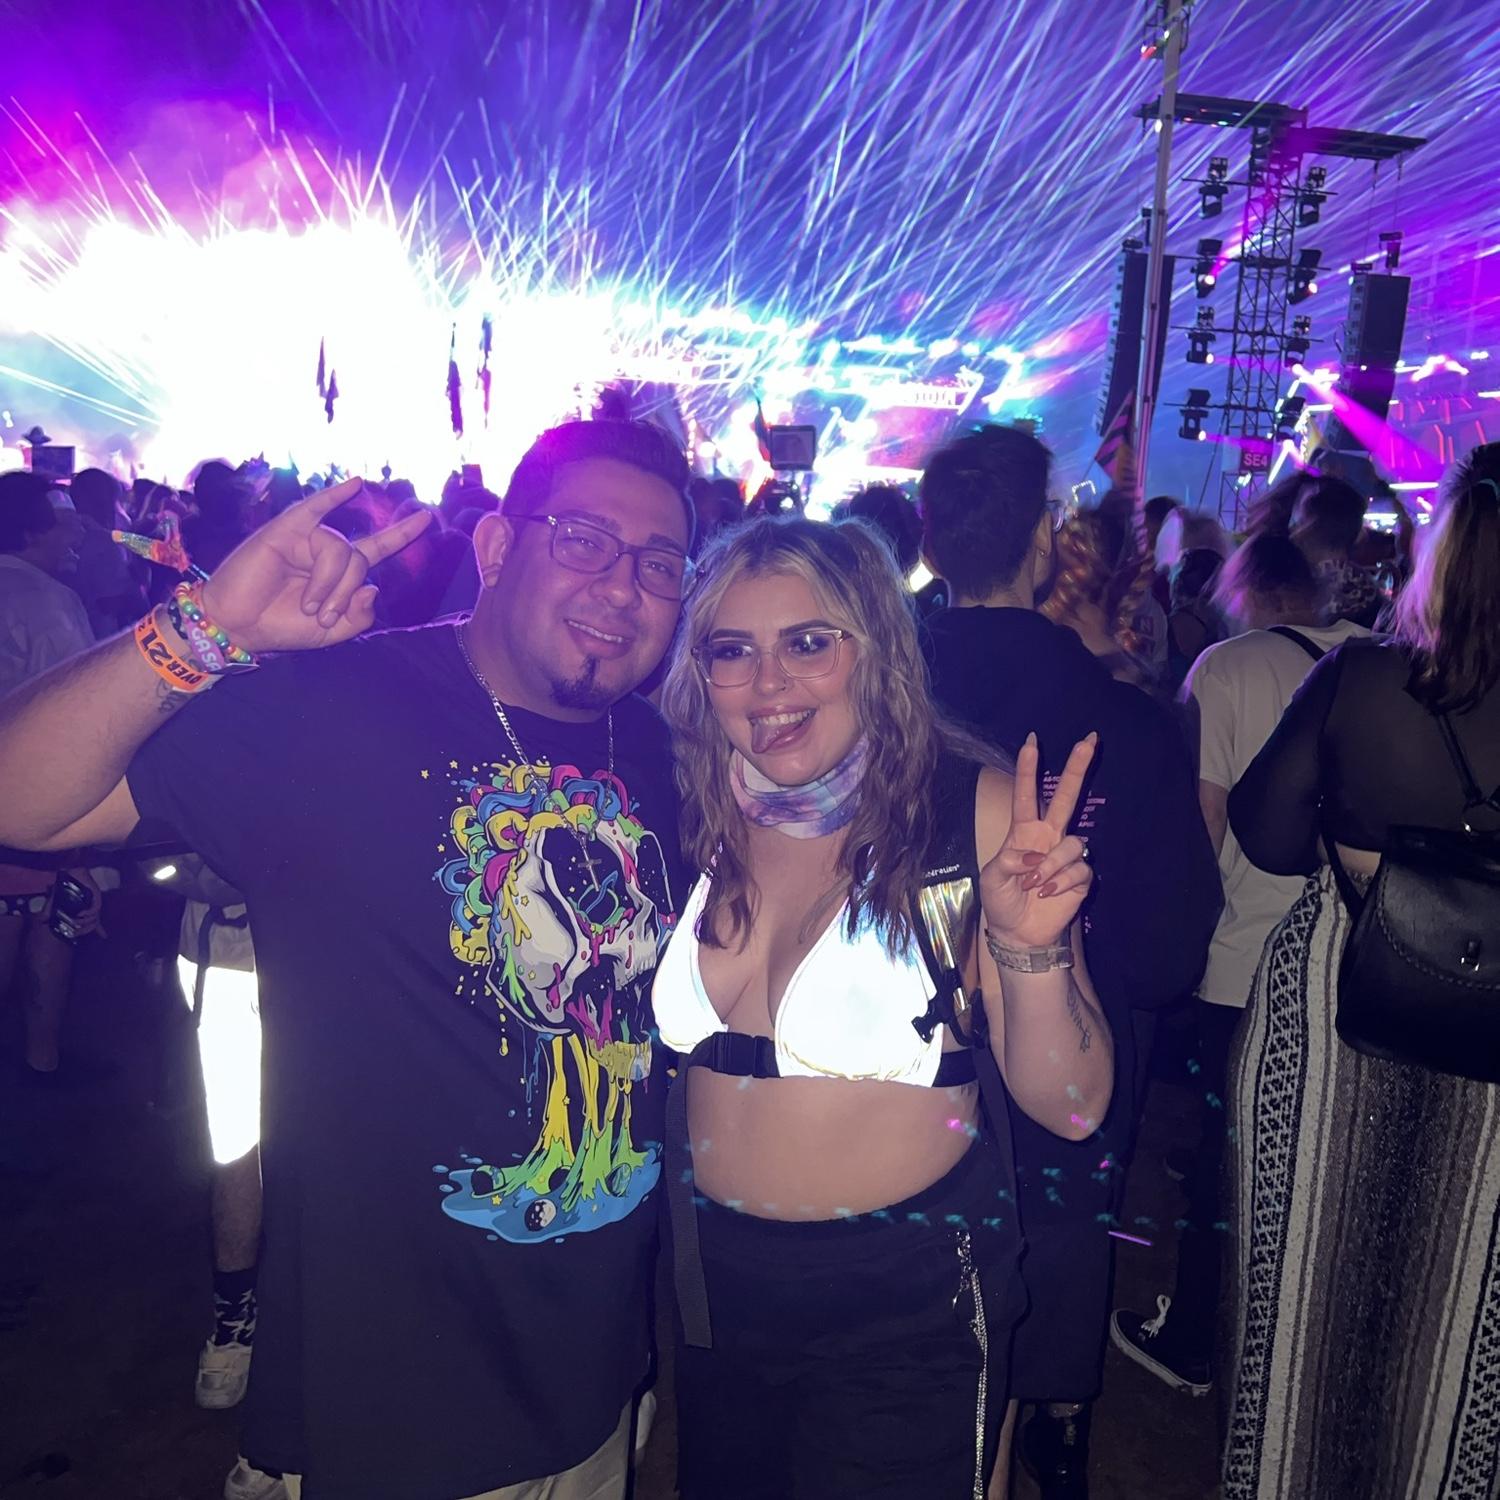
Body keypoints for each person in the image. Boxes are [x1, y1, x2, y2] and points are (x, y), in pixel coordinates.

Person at [0, 418, 697, 1500]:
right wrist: (204, 628)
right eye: (584, 540)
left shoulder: (654, 747)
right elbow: (22, 803)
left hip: (595, 1386)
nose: (622, 585)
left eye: (659, 563)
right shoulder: (332, 705)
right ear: (497, 545)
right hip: (390, 1407)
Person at [656, 514, 1113, 1499]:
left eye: (808, 643)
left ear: (876, 650)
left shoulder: (971, 814)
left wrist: (1028, 950)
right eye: (732, 651)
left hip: (906, 1306)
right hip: (716, 1289)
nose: (768, 685)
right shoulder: (696, 807)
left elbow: (1074, 1108)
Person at [918, 425, 1220, 1499]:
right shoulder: (1122, 719)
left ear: (929, 542)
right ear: (1046, 542)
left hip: (893, 1082)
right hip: (1065, 1094)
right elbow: (1172, 947)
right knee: (1039, 1281)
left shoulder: (864, 691)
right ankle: (1052, 1430)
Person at [1221, 443, 1500, 1499]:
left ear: (1444, 557)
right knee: (1467, 1313)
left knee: (1302, 1283)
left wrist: (1366, 837)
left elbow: (1265, 837)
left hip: (1339, 1014)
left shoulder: (1363, 679)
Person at [1109, 534, 1369, 1395]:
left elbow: (1207, 816)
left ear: (1246, 588)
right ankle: (1299, 1348)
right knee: (1322, 1157)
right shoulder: (1377, 659)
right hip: (1354, 953)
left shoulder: (1226, 666)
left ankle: (1194, 1336)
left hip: (1243, 956)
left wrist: (1181, 934)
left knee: (1227, 1159)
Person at [0, 473, 102, 1076]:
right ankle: (41, 1064)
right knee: (47, 914)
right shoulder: (47, 601)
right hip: (29, 792)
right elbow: (81, 713)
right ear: (31, 530)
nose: (79, 530)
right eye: (64, 520)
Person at [68, 467, 140, 638]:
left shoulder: (61, 531)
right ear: (107, 500)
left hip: (68, 630)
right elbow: (110, 602)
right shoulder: (103, 541)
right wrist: (136, 589)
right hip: (100, 634)